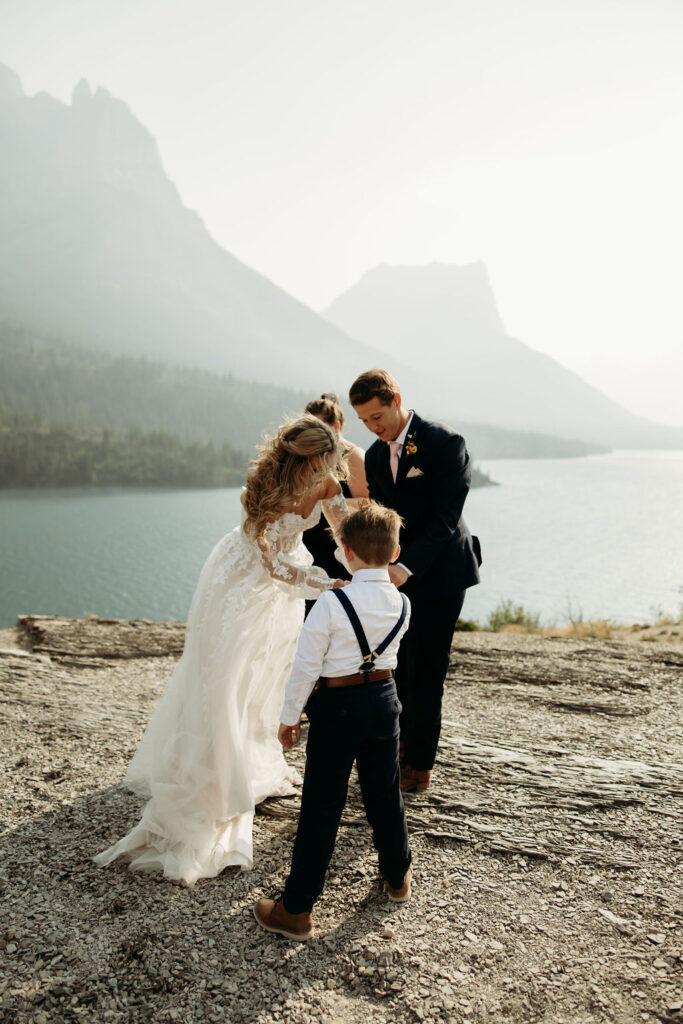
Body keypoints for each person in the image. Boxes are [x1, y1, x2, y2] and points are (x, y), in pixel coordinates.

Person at [94, 416, 350, 885]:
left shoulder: (329, 484)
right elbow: (274, 568)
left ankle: (251, 761)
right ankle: (213, 779)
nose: (332, 468)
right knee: (224, 680)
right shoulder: (266, 490)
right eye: (326, 459)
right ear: (308, 457)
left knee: (265, 678)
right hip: (242, 585)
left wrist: (370, 555)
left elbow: (342, 531)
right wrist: (331, 585)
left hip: (282, 592)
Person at [254, 501, 412, 941]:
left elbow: (306, 667)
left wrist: (290, 718)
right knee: (384, 792)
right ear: (395, 552)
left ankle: (297, 909)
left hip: (339, 706)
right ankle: (397, 877)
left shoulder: (331, 602)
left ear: (345, 551)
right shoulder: (403, 603)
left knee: (323, 804)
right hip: (385, 700)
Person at [349, 369, 481, 794]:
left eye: (377, 416)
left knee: (427, 669)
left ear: (396, 400)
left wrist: (405, 569)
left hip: (442, 575)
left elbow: (446, 519)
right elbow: (384, 520)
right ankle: (395, 747)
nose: (373, 427)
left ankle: (418, 765)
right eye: (364, 421)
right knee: (396, 667)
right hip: (396, 578)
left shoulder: (444, 443)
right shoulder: (372, 456)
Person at [301, 393, 369, 614]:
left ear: (337, 426)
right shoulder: (309, 455)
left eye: (319, 428)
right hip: (310, 540)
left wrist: (328, 500)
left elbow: (367, 503)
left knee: (336, 610)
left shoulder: (353, 456)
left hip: (337, 541)